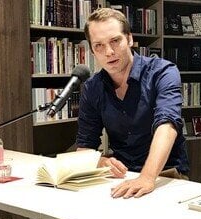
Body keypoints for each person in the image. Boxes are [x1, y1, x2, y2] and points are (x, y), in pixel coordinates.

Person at [77, 8, 189, 199]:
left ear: (129, 39)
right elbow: (85, 146)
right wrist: (100, 162)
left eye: (115, 41)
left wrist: (146, 177)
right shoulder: (92, 87)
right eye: (99, 46)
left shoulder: (162, 72)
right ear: (92, 50)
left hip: (166, 175)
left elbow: (167, 126)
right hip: (120, 177)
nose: (109, 52)